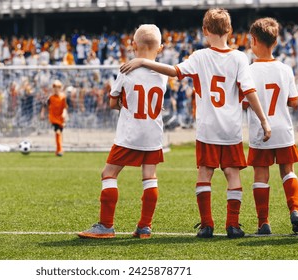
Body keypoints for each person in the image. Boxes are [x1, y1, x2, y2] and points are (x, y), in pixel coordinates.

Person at [120, 8, 271, 238]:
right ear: (229, 30)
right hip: (231, 129)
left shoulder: (200, 56)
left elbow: (173, 71)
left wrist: (143, 61)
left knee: (204, 174)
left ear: (204, 31)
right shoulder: (240, 57)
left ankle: (207, 224)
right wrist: (263, 120)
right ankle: (232, 224)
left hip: (207, 129)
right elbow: (249, 92)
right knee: (233, 175)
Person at [78, 24, 167, 239]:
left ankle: (106, 226)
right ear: (161, 48)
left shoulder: (126, 70)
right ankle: (145, 227)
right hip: (153, 134)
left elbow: (112, 103)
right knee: (149, 177)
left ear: (133, 45)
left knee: (108, 174)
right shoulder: (164, 74)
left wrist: (124, 106)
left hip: (130, 134)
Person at [243, 17, 298, 234]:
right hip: (283, 129)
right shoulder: (285, 69)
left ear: (253, 41)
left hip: (261, 129)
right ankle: (295, 210)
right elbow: (294, 102)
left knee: (261, 175)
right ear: (276, 42)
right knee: (288, 171)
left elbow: (244, 102)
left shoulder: (248, 71)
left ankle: (264, 223)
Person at [40, 79, 68, 157]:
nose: (56, 89)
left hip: (61, 118)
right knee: (58, 132)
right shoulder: (51, 98)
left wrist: (64, 114)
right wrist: (42, 113)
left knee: (59, 133)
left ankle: (58, 149)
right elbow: (45, 105)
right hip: (53, 118)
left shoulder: (63, 97)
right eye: (54, 87)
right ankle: (60, 150)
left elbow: (65, 107)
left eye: (58, 87)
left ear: (60, 88)